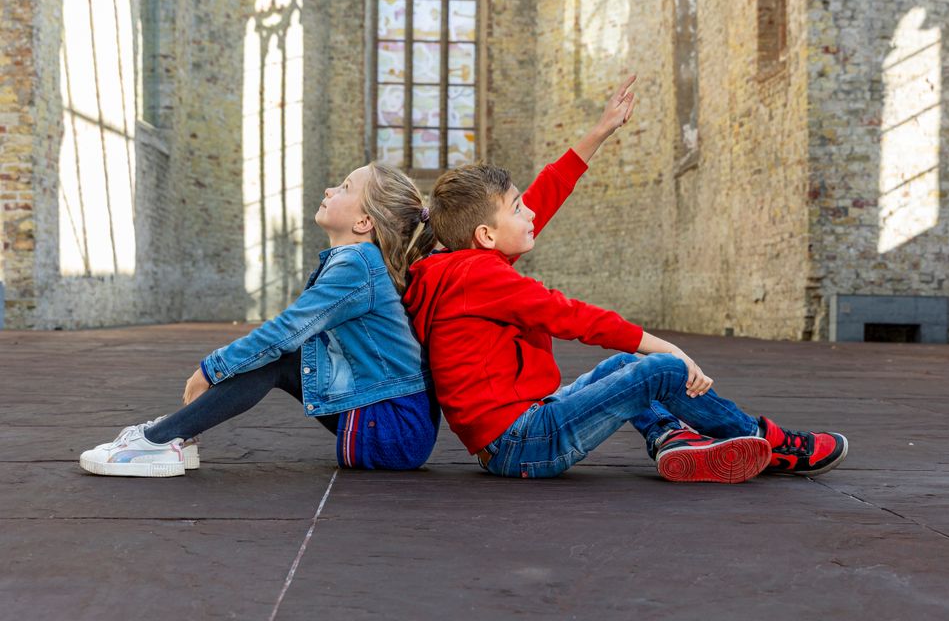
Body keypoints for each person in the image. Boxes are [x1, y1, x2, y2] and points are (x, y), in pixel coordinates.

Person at [402, 75, 848, 482]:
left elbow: (546, 193)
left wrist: (601, 130)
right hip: (523, 441)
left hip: (512, 434)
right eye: (517, 208)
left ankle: (670, 438)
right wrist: (670, 348)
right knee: (661, 369)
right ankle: (771, 444)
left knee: (624, 367)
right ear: (486, 235)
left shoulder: (460, 268)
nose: (531, 211)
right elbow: (573, 317)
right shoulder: (480, 276)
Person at [80, 162, 438, 477]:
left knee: (276, 358)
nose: (330, 189)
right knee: (280, 357)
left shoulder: (358, 264)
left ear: (364, 221)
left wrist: (211, 369)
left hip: (394, 429)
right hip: (398, 425)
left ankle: (160, 440)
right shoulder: (360, 260)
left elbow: (287, 330)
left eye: (345, 187)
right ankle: (176, 435)